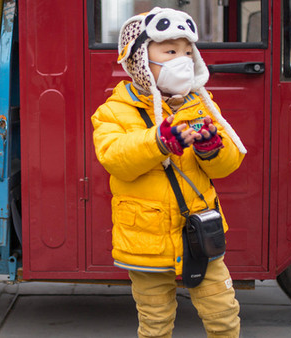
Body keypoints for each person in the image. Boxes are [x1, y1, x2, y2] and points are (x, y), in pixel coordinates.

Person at [91, 7, 247, 338]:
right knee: (155, 321)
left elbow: (229, 164)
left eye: (188, 53)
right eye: (171, 51)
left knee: (224, 314)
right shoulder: (114, 111)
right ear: (140, 59)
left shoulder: (201, 105)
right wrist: (158, 142)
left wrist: (211, 149)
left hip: (199, 232)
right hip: (145, 237)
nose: (182, 60)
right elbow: (115, 158)